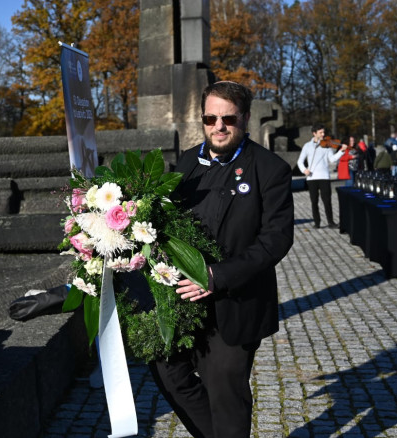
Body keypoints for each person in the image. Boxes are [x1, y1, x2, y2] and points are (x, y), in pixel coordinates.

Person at [156, 81, 294, 438]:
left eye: (228, 119)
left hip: (234, 303)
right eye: (211, 118)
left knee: (225, 391)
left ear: (245, 119)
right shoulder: (186, 162)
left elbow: (275, 240)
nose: (219, 126)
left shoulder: (270, 169)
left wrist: (217, 276)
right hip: (181, 300)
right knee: (168, 374)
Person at [297, 124, 347, 228]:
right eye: (321, 132)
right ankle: (317, 222)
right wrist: (304, 170)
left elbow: (332, 159)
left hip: (324, 176)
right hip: (311, 178)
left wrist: (341, 151)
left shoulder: (327, 145)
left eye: (324, 132)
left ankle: (331, 222)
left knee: (327, 201)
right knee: (314, 201)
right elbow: (300, 161)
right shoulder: (307, 146)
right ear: (314, 133)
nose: (323, 134)